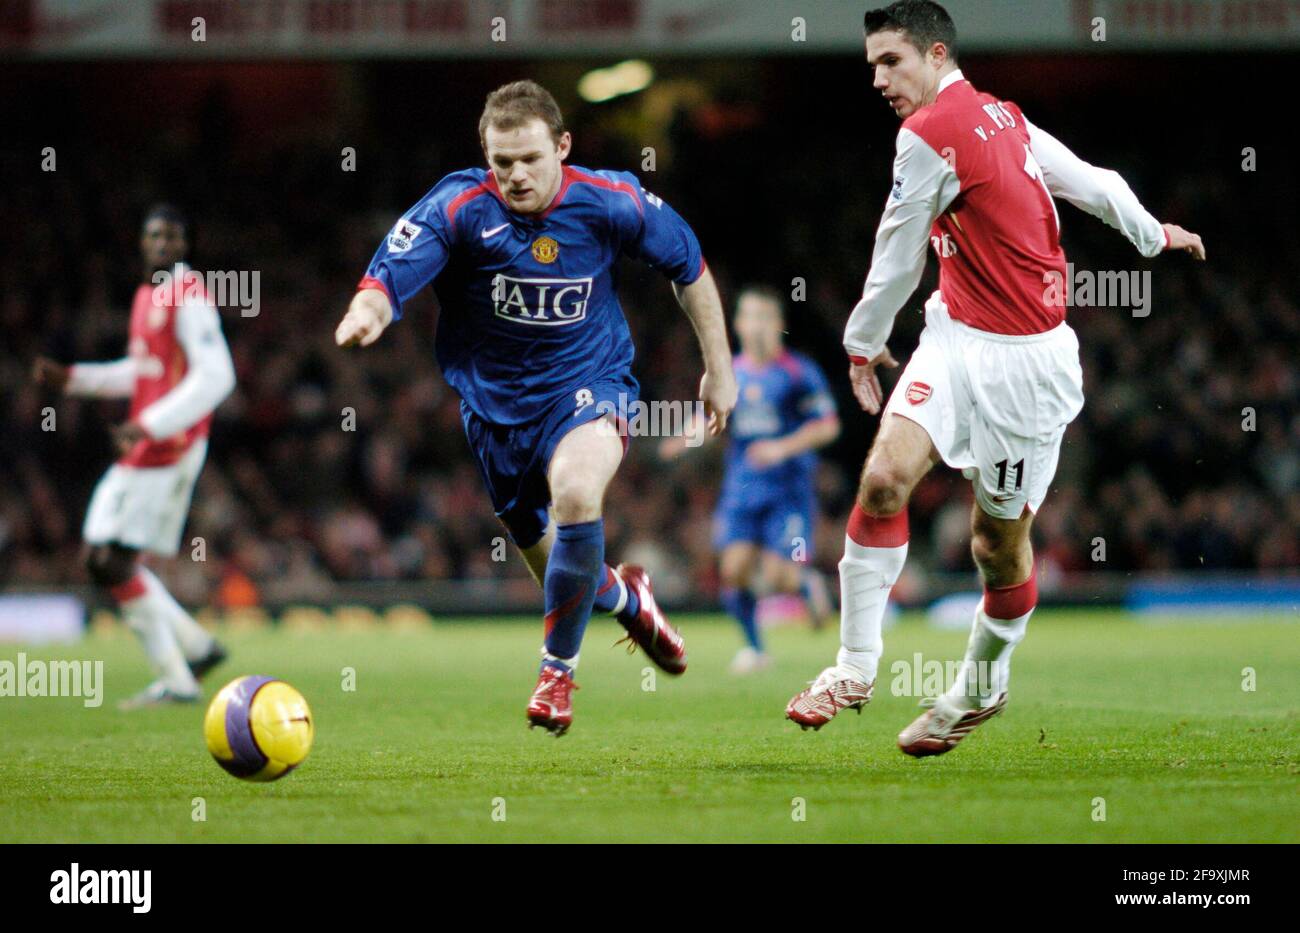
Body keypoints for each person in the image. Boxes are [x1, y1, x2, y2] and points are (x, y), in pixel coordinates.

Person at [785, 1, 1205, 755]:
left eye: (892, 61)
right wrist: (1151, 233)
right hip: (954, 335)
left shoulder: (942, 130)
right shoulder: (997, 117)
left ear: (936, 53)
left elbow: (899, 246)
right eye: (872, 64)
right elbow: (1094, 180)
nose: (878, 78)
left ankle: (981, 688)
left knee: (995, 544)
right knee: (882, 480)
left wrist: (861, 343)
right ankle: (852, 666)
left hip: (1026, 367)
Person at [335, 80, 738, 736]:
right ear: (485, 156)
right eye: (502, 162)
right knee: (554, 562)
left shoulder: (611, 201)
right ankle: (626, 597)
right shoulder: (461, 205)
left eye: (530, 158)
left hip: (591, 384)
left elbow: (688, 265)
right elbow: (393, 272)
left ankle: (557, 672)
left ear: (563, 147)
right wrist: (368, 310)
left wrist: (719, 370)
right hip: (494, 411)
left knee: (578, 494)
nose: (516, 175)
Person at [33, 205, 236, 708]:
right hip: (146, 441)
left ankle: (179, 680)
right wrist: (76, 379)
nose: (161, 244)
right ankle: (196, 648)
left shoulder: (190, 296)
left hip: (170, 444)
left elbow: (217, 376)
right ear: (141, 242)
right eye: (153, 236)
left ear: (185, 245)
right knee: (100, 557)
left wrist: (149, 424)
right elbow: (142, 371)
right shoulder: (148, 295)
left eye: (171, 236)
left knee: (111, 559)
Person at [661, 285, 839, 673]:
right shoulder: (733, 374)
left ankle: (806, 584)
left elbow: (827, 426)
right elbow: (711, 419)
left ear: (778, 324)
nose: (756, 326)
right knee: (733, 570)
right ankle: (756, 650)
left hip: (788, 491)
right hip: (743, 489)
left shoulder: (798, 372)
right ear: (738, 324)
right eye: (749, 317)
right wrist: (683, 440)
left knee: (780, 576)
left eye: (764, 317)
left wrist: (782, 448)